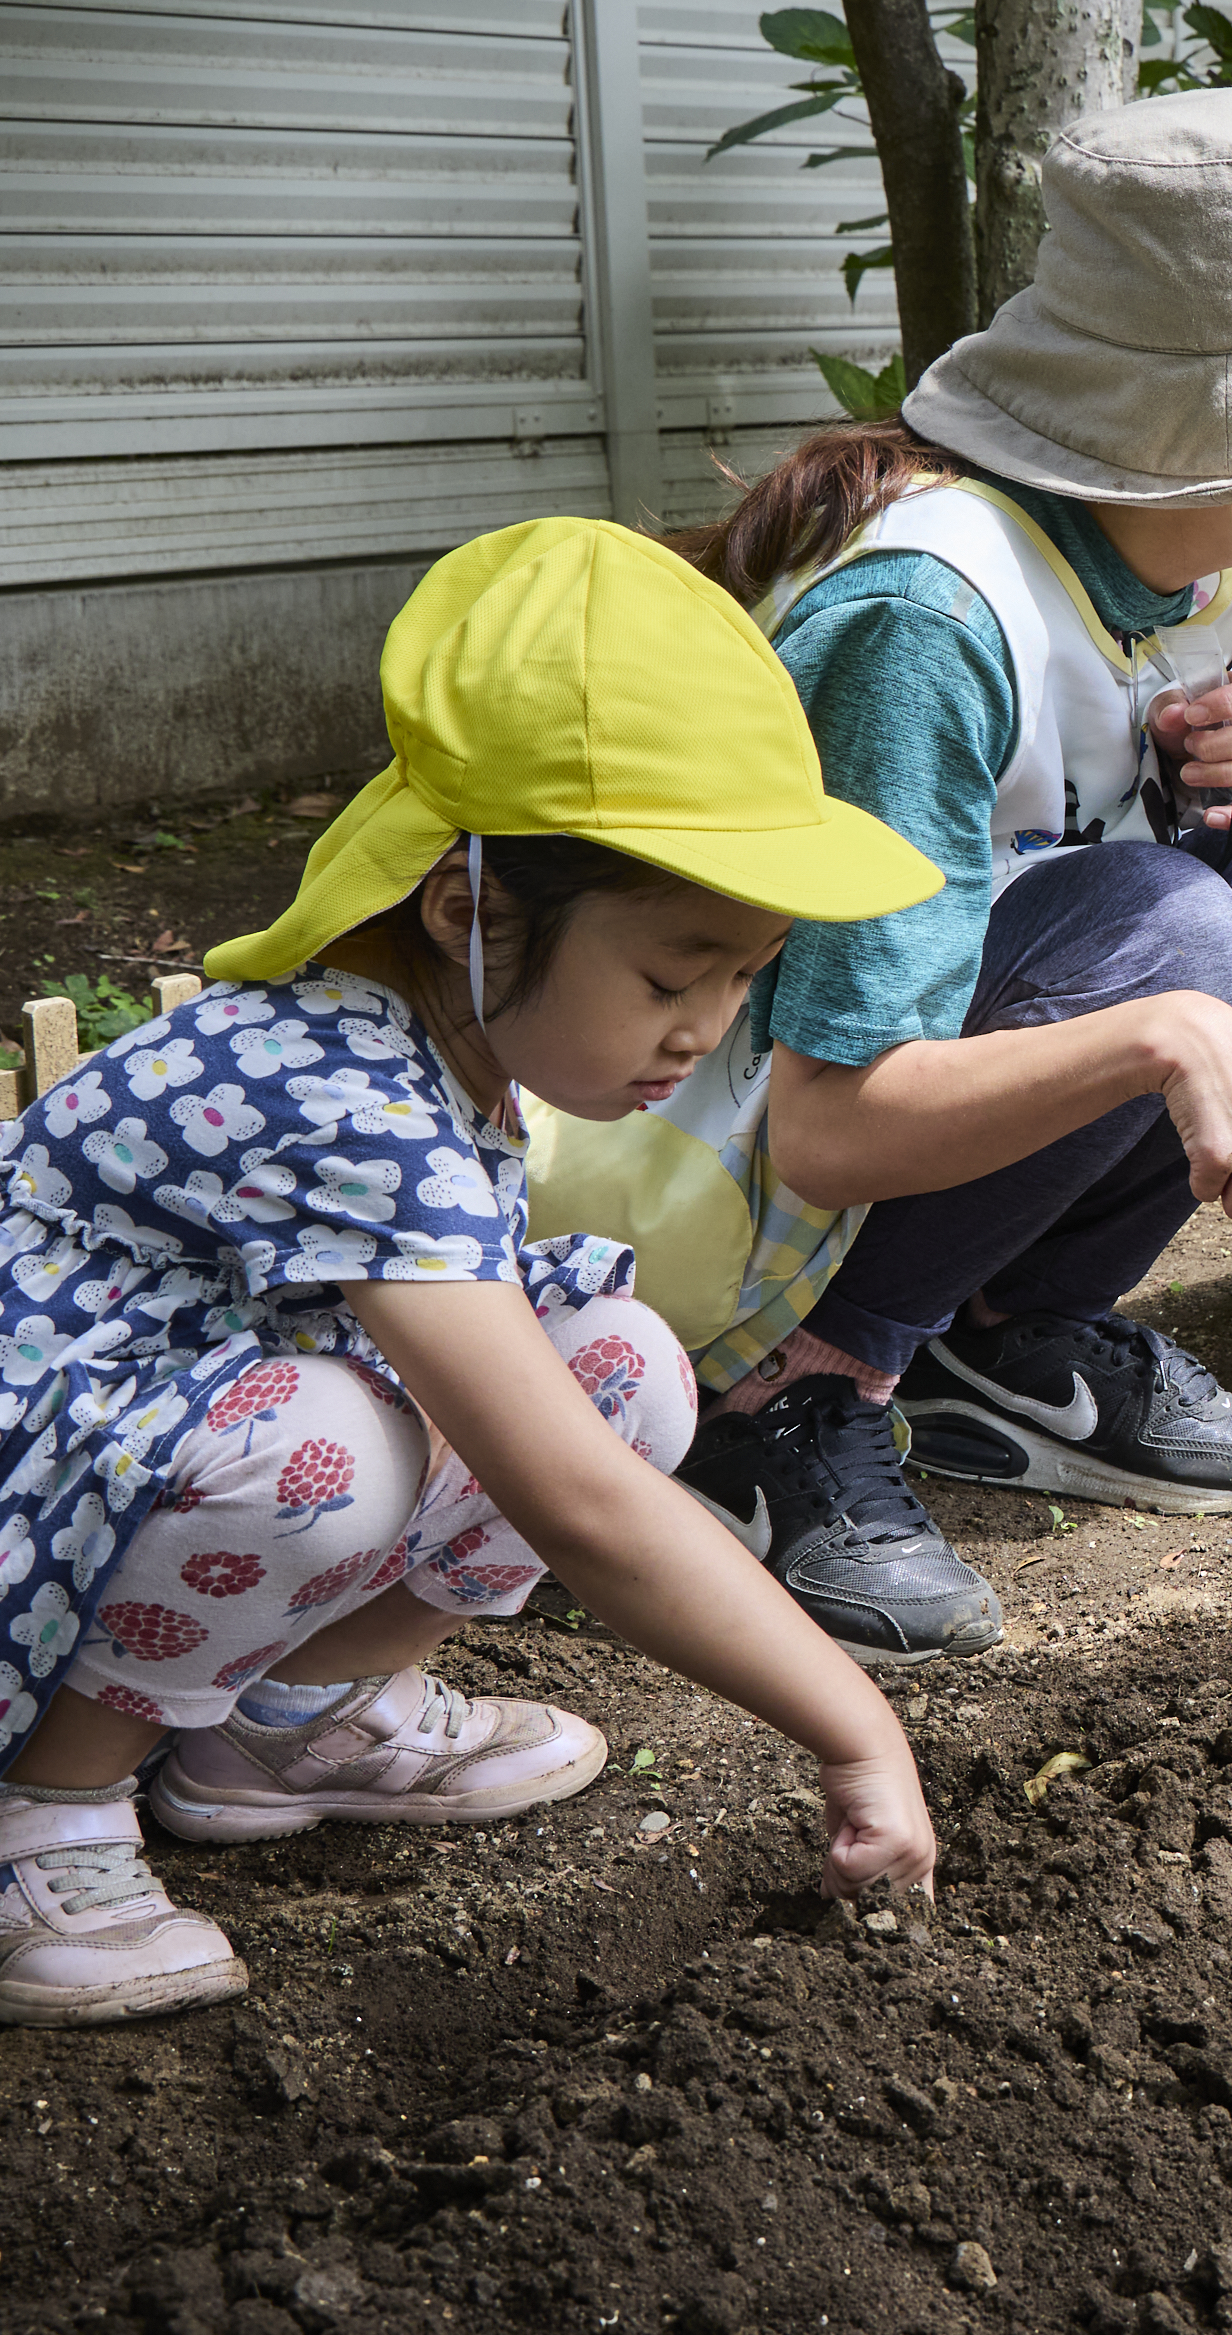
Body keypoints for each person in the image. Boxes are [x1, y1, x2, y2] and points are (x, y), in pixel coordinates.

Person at [0, 519, 944, 2026]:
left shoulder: (442, 1029)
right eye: (665, 974)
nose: (705, 1028)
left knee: (620, 1361)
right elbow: (573, 1499)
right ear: (469, 908)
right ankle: (45, 1805)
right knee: (329, 1454)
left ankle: (292, 1717)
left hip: (169, 1426)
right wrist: (853, 1725)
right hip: (37, 1479)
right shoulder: (343, 1095)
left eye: (738, 975)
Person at [591, 90, 1232, 1665]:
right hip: (703, 1156)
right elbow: (823, 1116)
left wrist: (1182, 793)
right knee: (1184, 928)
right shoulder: (925, 615)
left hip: (919, 1086)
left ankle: (1004, 1333)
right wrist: (1167, 1027)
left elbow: (1102, 887)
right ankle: (777, 1395)